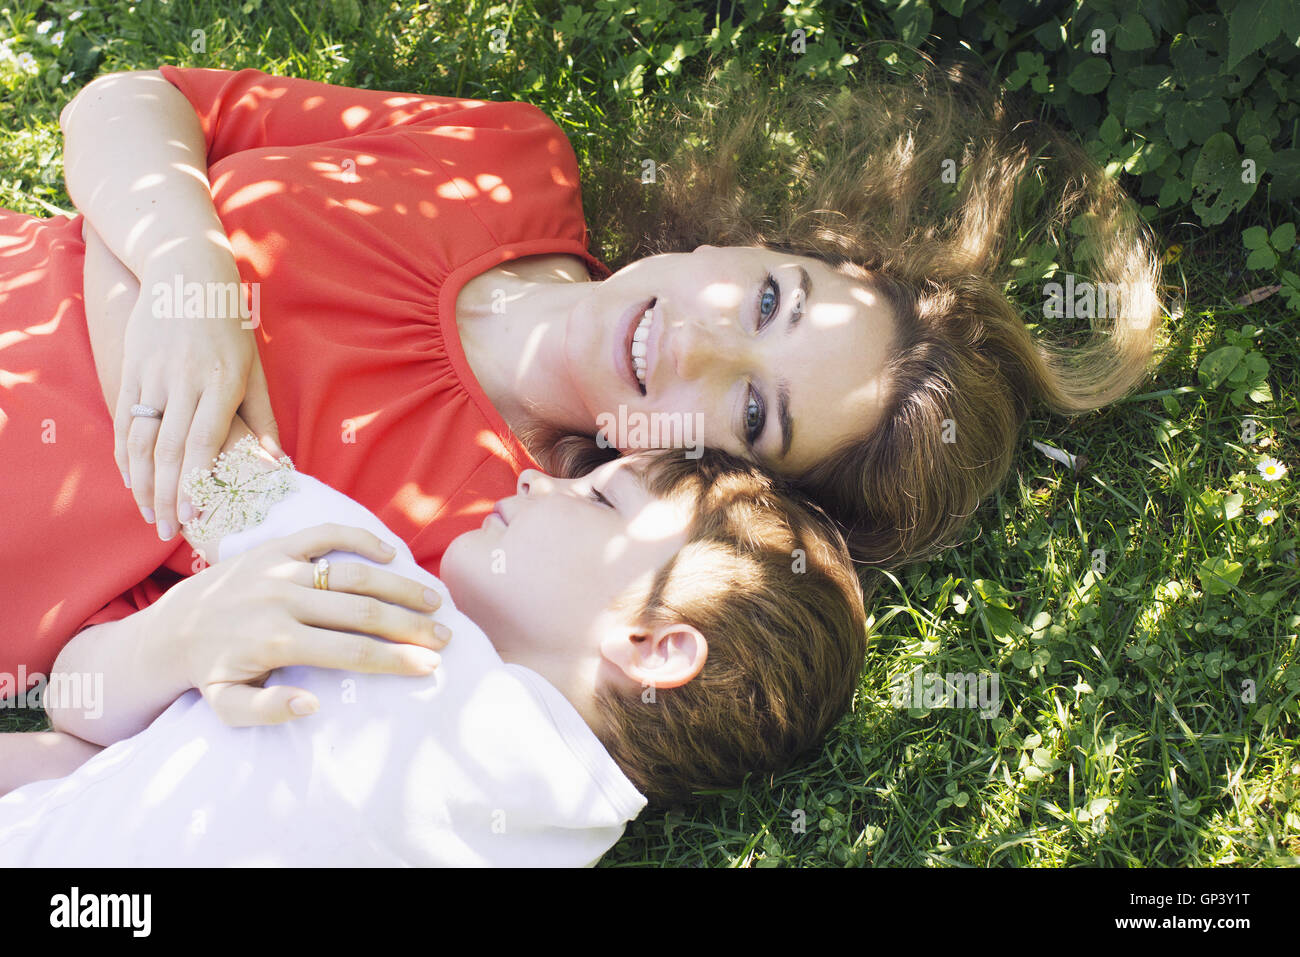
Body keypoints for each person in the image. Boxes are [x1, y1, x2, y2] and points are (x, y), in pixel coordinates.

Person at [0, 62, 1164, 697]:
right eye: (768, 299)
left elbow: (111, 686)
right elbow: (131, 104)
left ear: (715, 474)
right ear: (752, 242)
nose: (706, 342)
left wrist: (131, 266)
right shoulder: (504, 163)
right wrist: (183, 268)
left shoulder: (479, 547)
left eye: (754, 413)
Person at [0, 444, 867, 866]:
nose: (537, 479)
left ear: (652, 642)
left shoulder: (397, 611)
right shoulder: (556, 843)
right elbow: (97, 766)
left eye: (599, 495)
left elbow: (198, 444)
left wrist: (157, 264)